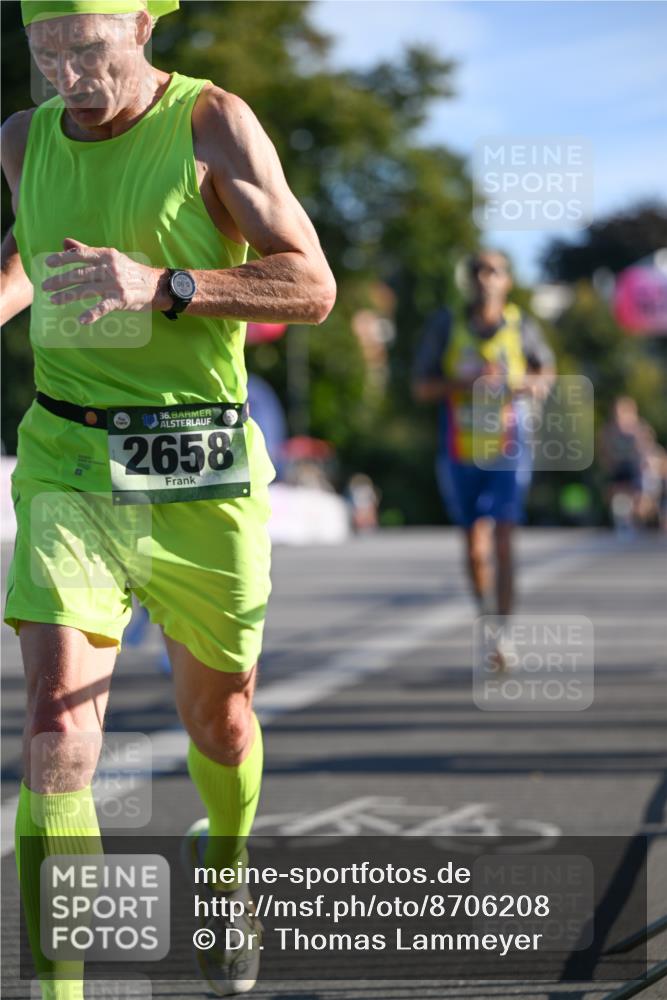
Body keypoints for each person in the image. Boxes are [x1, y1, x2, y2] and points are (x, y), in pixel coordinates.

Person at [0, 2, 336, 997]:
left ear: (143, 25)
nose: (65, 69)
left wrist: (168, 285)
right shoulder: (20, 141)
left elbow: (310, 285)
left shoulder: (211, 124)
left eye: (86, 44)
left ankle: (225, 865)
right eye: (44, 46)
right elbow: (34, 256)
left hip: (199, 472)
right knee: (58, 736)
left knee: (219, 722)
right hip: (69, 462)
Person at [412, 249, 554, 649]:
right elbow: (422, 387)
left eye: (493, 271)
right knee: (475, 547)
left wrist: (514, 382)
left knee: (505, 539)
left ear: (506, 280)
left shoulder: (521, 324)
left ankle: (503, 634)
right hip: (461, 447)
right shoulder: (446, 324)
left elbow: (546, 375)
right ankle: (487, 618)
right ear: (468, 280)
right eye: (476, 271)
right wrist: (464, 383)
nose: (484, 278)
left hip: (510, 446)